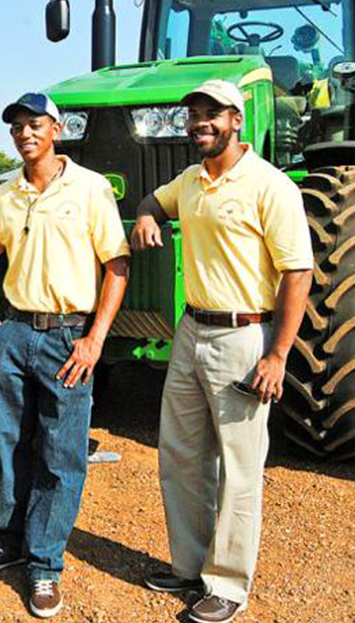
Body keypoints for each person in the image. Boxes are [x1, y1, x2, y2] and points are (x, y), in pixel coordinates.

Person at [131, 80, 311, 623]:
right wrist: (145, 216)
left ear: (236, 119)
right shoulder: (190, 180)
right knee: (181, 454)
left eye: (212, 114)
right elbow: (152, 201)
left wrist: (277, 355)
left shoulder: (270, 185)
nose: (199, 123)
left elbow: (297, 272)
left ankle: (228, 584)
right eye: (194, 115)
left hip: (243, 335)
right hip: (191, 331)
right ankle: (188, 566)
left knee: (239, 465)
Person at [0, 93, 130, 619]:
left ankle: (44, 566)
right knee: (10, 443)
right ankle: (7, 543)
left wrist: (95, 339)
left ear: (55, 128)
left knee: (61, 454)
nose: (24, 134)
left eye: (34, 124)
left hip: (68, 338)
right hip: (16, 332)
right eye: (16, 127)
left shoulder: (89, 188)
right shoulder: (4, 195)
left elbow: (117, 264)